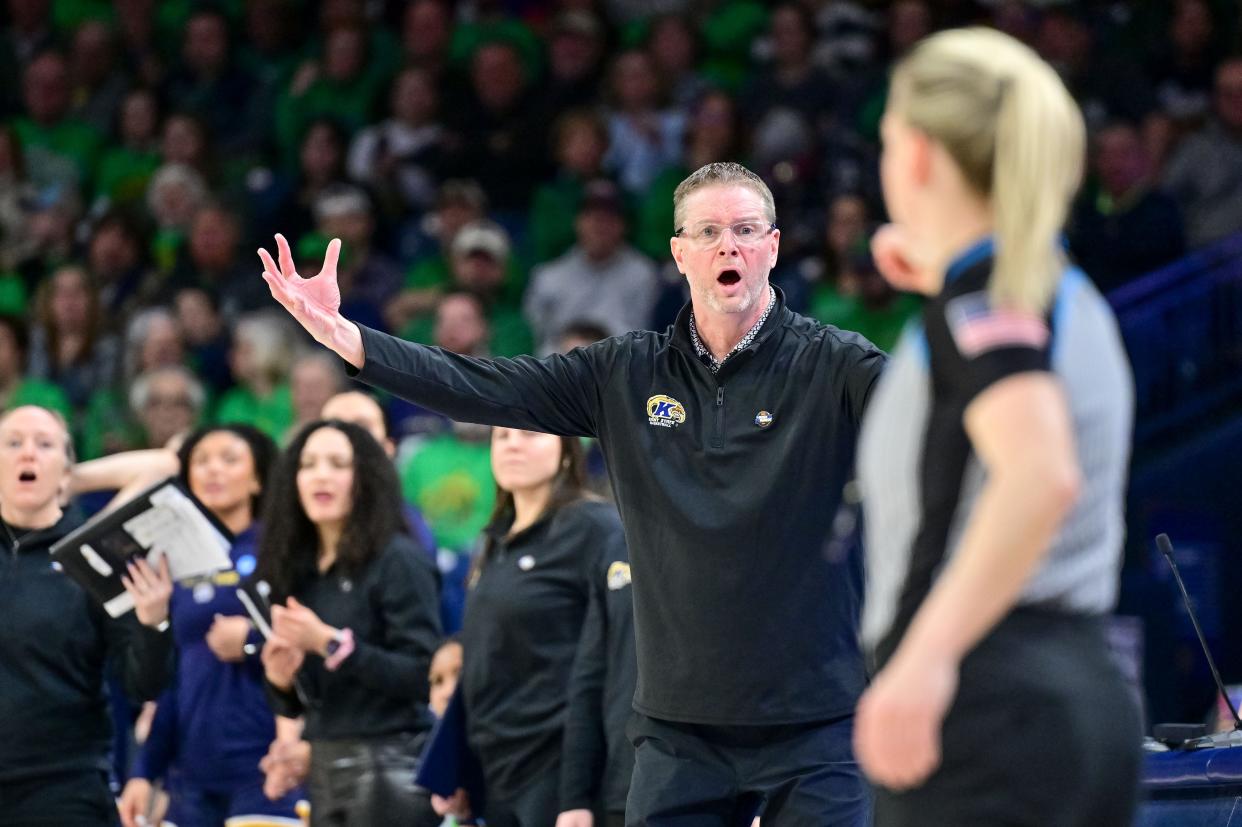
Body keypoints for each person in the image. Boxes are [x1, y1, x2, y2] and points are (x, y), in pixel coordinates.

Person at [259, 158, 884, 824]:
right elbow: (485, 385)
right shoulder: (625, 370)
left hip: (816, 720)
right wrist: (350, 339)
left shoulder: (835, 362)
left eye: (745, 228)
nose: (727, 244)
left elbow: (934, 416)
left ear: (773, 246)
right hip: (680, 729)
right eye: (707, 231)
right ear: (679, 253)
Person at [850, 27, 1142, 826]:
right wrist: (938, 284)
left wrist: (925, 660)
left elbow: (1038, 471)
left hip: (986, 710)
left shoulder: (984, 295)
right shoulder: (1043, 288)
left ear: (913, 154)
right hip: (1067, 695)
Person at [87, 425, 304, 827]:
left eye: (228, 459)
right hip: (191, 780)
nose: (212, 470)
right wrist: (143, 771)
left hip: (267, 771)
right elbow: (171, 677)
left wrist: (252, 641)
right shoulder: (174, 565)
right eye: (201, 461)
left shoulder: (283, 552)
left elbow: (318, 645)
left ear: (258, 478)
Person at [256, 419, 443, 826]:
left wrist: (330, 643)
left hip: (390, 766)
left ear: (367, 478)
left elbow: (421, 674)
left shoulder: (398, 559)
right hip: (323, 766)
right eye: (308, 464)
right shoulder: (297, 570)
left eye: (338, 463)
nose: (321, 474)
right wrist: (280, 682)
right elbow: (314, 698)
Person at [436, 428, 626, 827]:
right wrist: (458, 764)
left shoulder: (596, 527)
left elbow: (611, 657)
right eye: (502, 436)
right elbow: (482, 660)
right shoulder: (494, 538)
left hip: (559, 765)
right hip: (496, 766)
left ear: (568, 450)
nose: (512, 445)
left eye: (529, 434)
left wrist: (579, 787)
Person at [0, 405, 174, 827]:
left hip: (63, 787)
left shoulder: (90, 558)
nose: (28, 454)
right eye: (13, 443)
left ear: (68, 470)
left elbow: (142, 684)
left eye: (44, 445)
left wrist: (153, 623)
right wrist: (48, 464)